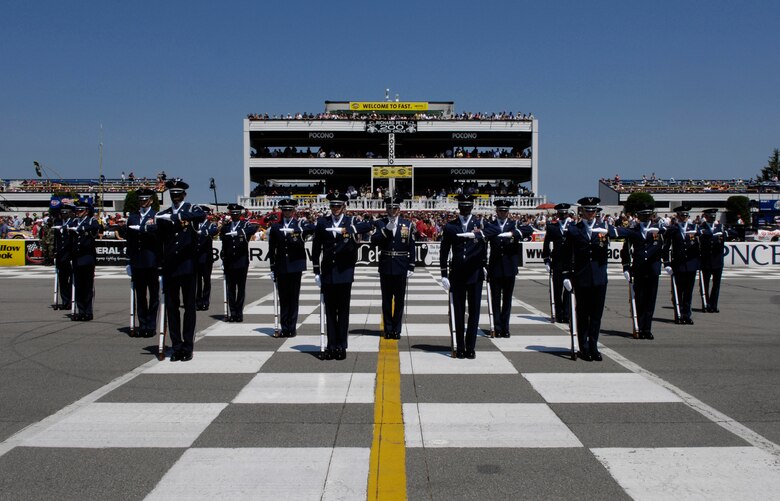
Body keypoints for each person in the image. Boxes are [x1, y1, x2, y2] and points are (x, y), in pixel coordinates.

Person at [562, 197, 629, 361]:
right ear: (582, 211)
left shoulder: (604, 228)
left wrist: (610, 231)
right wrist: (566, 275)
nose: (591, 213)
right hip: (582, 276)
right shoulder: (574, 230)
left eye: (593, 210)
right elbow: (567, 254)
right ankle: (583, 347)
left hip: (599, 277)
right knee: (583, 314)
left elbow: (625, 233)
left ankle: (594, 346)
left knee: (597, 314)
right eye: (588, 210)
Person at [311, 192, 373, 360]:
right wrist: (316, 271)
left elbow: (369, 225)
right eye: (333, 206)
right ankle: (331, 346)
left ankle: (341, 346)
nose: (336, 209)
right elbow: (316, 248)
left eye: (338, 206)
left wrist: (349, 229)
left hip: (344, 272)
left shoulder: (351, 221)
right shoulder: (323, 222)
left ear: (343, 207)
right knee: (330, 311)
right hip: (329, 272)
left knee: (343, 311)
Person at [440, 194, 498, 359]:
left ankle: (470, 346)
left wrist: (479, 234)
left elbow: (496, 230)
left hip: (475, 273)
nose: (465, 209)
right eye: (462, 206)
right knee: (457, 311)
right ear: (459, 207)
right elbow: (444, 251)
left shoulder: (479, 223)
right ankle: (459, 345)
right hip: (457, 274)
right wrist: (444, 274)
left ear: (472, 207)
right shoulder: (451, 226)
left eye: (468, 206)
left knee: (474, 311)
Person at [155, 178, 205, 361]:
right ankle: (176, 346)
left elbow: (201, 216)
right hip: (170, 267)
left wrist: (179, 217)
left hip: (188, 266)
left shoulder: (191, 210)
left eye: (178, 194)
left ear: (184, 194)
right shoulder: (165, 214)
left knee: (189, 307)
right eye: (173, 194)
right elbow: (159, 241)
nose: (175, 197)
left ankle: (188, 347)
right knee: (171, 307)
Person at [485, 200, 534, 337]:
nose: (503, 213)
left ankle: (505, 327)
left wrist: (513, 234)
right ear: (496, 212)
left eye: (505, 211)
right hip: (495, 267)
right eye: (500, 210)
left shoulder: (514, 225)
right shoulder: (491, 225)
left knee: (507, 299)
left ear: (508, 212)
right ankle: (496, 326)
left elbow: (528, 230)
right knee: (495, 299)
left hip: (509, 267)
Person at [370, 196, 416, 340]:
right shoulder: (380, 223)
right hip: (386, 265)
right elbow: (374, 241)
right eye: (389, 208)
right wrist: (385, 231)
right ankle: (388, 329)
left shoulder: (407, 224)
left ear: (399, 210)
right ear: (386, 209)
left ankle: (397, 329)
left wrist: (411, 265)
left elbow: (411, 246)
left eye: (395, 208)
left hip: (401, 265)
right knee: (386, 300)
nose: (392, 211)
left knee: (400, 300)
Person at [268, 199, 315, 337]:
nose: (287, 212)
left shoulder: (300, 223)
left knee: (293, 298)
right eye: (285, 210)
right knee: (283, 298)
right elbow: (272, 248)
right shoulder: (276, 227)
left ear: (294, 211)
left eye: (289, 210)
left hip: (295, 265)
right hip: (281, 266)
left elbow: (312, 228)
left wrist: (296, 230)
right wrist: (272, 267)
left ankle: (292, 327)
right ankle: (285, 327)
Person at [621, 202, 667, 340]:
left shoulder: (658, 230)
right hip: (639, 269)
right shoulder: (633, 231)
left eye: (647, 215)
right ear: (638, 216)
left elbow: (663, 248)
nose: (645, 217)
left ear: (652, 216)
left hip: (653, 269)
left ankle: (647, 328)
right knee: (639, 299)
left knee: (650, 300)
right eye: (643, 215)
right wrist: (626, 267)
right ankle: (638, 327)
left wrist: (666, 262)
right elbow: (626, 250)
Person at [120, 188, 160, 337]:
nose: (143, 202)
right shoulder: (133, 217)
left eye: (145, 200)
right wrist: (129, 260)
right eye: (141, 200)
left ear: (150, 200)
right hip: (137, 261)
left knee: (154, 296)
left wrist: (146, 229)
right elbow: (130, 240)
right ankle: (142, 324)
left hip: (151, 261)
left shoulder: (156, 216)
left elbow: (158, 236)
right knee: (140, 295)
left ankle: (151, 325)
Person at [219, 203, 258, 322]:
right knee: (230, 289)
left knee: (241, 288)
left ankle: (239, 312)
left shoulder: (244, 225)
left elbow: (254, 228)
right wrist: (223, 258)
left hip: (241, 261)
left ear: (240, 214)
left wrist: (240, 232)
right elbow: (224, 244)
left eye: (237, 214)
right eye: (232, 214)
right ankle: (233, 312)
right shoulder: (226, 227)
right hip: (229, 261)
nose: (235, 216)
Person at [662, 206, 700, 325]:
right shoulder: (672, 229)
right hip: (678, 264)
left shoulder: (694, 228)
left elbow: (699, 246)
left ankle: (687, 315)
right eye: (682, 215)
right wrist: (667, 263)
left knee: (688, 292)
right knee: (677, 291)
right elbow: (666, 247)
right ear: (678, 216)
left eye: (686, 215)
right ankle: (678, 314)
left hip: (691, 264)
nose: (684, 218)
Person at [68, 196, 99, 321]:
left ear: (86, 211)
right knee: (79, 286)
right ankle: (80, 310)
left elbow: (96, 227)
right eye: (77, 210)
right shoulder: (74, 221)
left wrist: (82, 228)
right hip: (76, 257)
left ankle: (88, 311)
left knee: (87, 286)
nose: (78, 212)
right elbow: (68, 227)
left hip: (87, 257)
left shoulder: (91, 221)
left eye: (81, 210)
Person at [542, 203, 573, 323]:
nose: (563, 215)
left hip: (570, 261)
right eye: (561, 213)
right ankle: (558, 313)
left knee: (568, 289)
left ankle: (567, 313)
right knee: (557, 288)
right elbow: (546, 244)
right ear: (558, 214)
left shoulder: (573, 226)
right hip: (557, 261)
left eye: (565, 213)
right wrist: (546, 260)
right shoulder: (552, 227)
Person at [698, 209, 732, 313]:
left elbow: (730, 234)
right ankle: (706, 303)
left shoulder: (720, 227)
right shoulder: (701, 227)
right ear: (706, 216)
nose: (712, 218)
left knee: (716, 285)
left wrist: (725, 234)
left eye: (713, 216)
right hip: (706, 260)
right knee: (705, 284)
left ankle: (714, 304)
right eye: (710, 216)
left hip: (717, 260)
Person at [51, 200, 74, 309]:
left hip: (70, 255)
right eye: (62, 213)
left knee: (72, 280)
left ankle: (71, 300)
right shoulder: (58, 223)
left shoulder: (73, 223)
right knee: (62, 280)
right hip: (61, 256)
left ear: (70, 213)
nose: (63, 214)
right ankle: (65, 301)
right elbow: (55, 240)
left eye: (66, 212)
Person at [195, 206, 218, 311]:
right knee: (197, 282)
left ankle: (205, 301)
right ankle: (198, 301)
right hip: (196, 257)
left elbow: (214, 231)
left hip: (206, 257)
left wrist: (204, 232)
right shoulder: (194, 225)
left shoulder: (210, 225)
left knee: (206, 281)